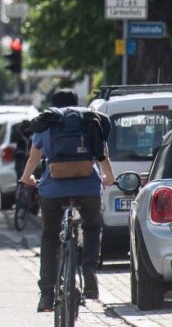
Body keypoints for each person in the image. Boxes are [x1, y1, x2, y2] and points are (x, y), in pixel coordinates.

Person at [18, 89, 114, 312]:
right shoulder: (89, 119)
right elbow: (103, 155)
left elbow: (34, 157)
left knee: (50, 237)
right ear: (76, 102)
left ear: (54, 104)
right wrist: (108, 179)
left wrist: (26, 178)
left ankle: (47, 294)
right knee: (92, 227)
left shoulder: (48, 120)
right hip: (88, 187)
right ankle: (89, 271)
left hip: (52, 190)